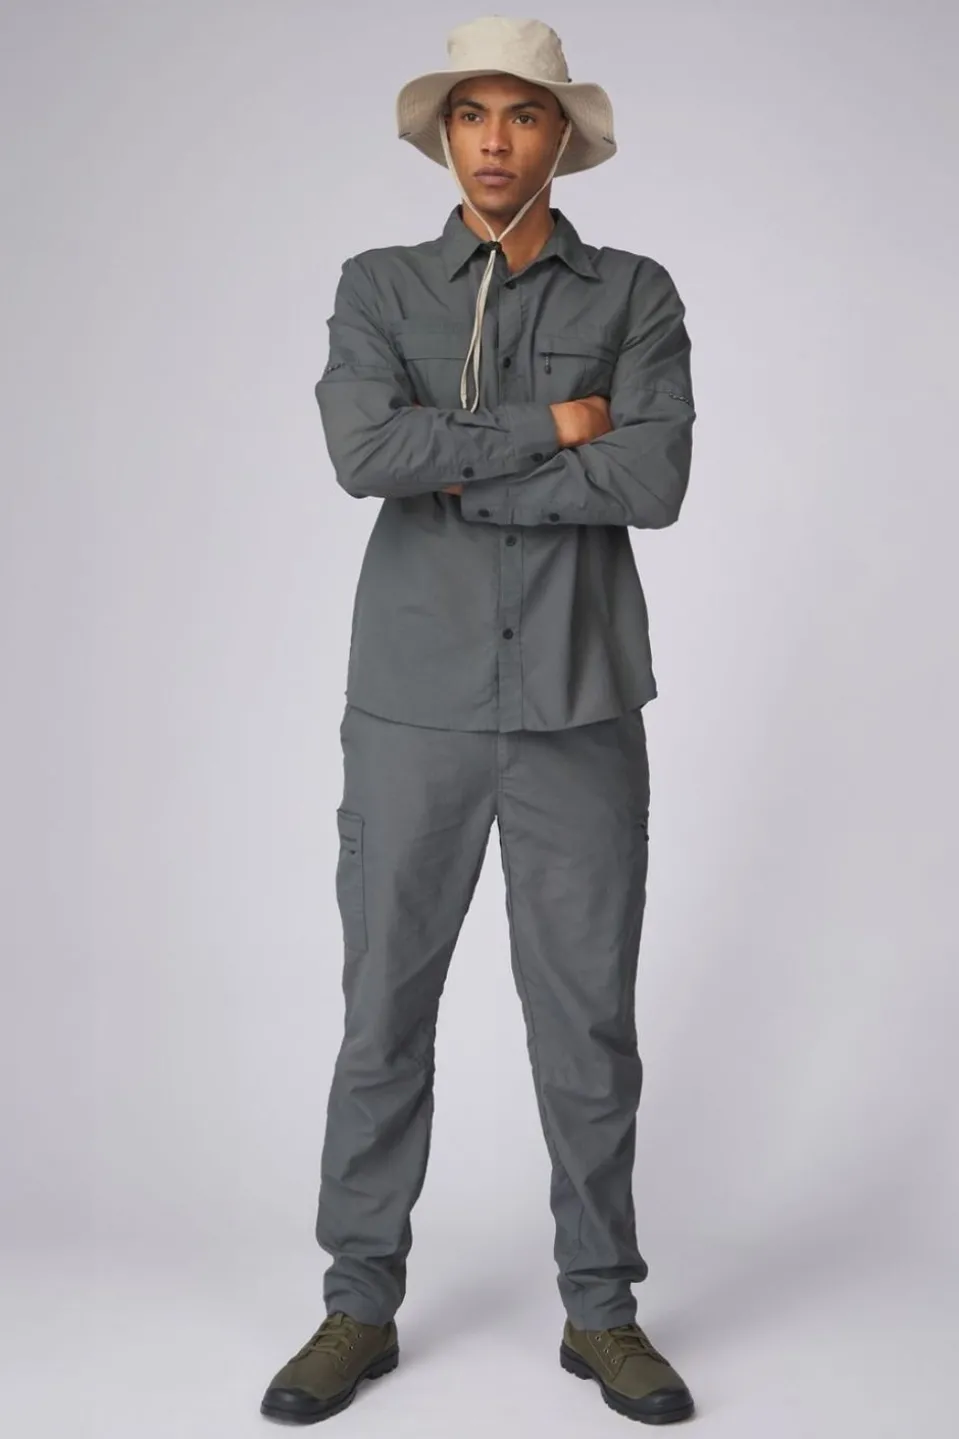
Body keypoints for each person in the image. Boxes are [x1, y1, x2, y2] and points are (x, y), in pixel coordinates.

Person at [260, 14, 696, 1427]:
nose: (495, 140)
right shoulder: (379, 286)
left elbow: (653, 479)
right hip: (414, 708)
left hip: (580, 704)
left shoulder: (634, 292)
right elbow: (363, 452)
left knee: (589, 1025)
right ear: (444, 135)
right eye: (471, 114)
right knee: (384, 1010)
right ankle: (358, 1303)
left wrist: (456, 465)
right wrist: (552, 426)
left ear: (562, 134)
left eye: (522, 113)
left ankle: (602, 1311)